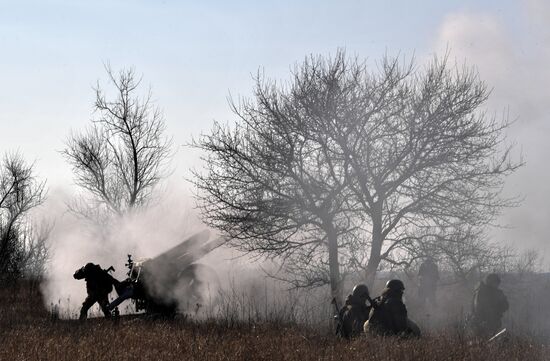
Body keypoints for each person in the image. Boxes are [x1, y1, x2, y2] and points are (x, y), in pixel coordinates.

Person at [471, 273, 509, 337]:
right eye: (495, 283)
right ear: (490, 282)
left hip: (481, 322)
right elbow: (477, 307)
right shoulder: (486, 292)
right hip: (488, 323)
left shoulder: (479, 291)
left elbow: (506, 306)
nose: (497, 285)